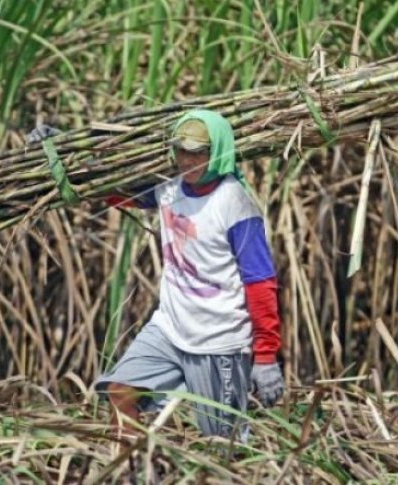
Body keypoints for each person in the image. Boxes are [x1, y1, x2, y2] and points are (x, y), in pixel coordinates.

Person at [92, 109, 284, 440]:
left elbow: (260, 283)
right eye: (181, 150)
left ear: (219, 151)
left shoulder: (235, 203)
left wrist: (266, 355)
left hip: (219, 342)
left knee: (224, 442)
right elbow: (112, 193)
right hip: (169, 328)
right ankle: (131, 472)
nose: (187, 160)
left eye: (198, 152)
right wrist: (62, 157)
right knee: (121, 391)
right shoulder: (169, 190)